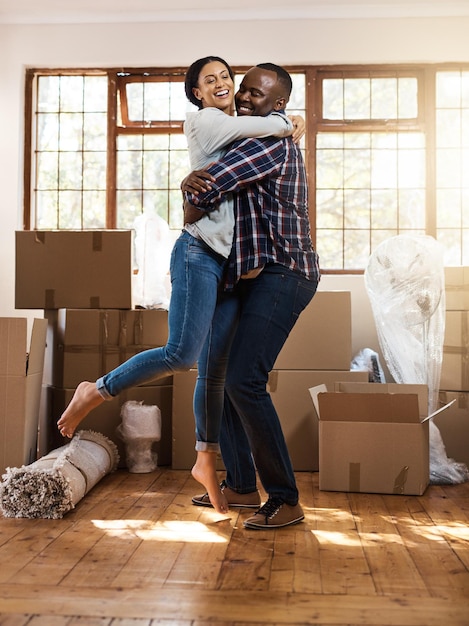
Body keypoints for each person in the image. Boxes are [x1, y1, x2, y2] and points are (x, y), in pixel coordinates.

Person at [57, 56, 303, 515]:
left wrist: (282, 123)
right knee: (182, 354)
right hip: (197, 253)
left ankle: (209, 462)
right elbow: (208, 187)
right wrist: (289, 122)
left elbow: (225, 176)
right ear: (197, 94)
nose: (226, 86)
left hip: (227, 265)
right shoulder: (207, 121)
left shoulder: (239, 129)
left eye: (227, 77)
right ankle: (97, 389)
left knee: (218, 372)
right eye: (211, 81)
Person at [183, 63, 320, 529]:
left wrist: (191, 180)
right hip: (253, 277)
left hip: (287, 274)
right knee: (218, 373)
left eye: (256, 95)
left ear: (278, 106)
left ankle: (285, 498)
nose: (243, 98)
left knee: (243, 380)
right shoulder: (251, 137)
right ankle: (241, 484)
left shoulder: (271, 144)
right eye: (243, 89)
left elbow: (204, 192)